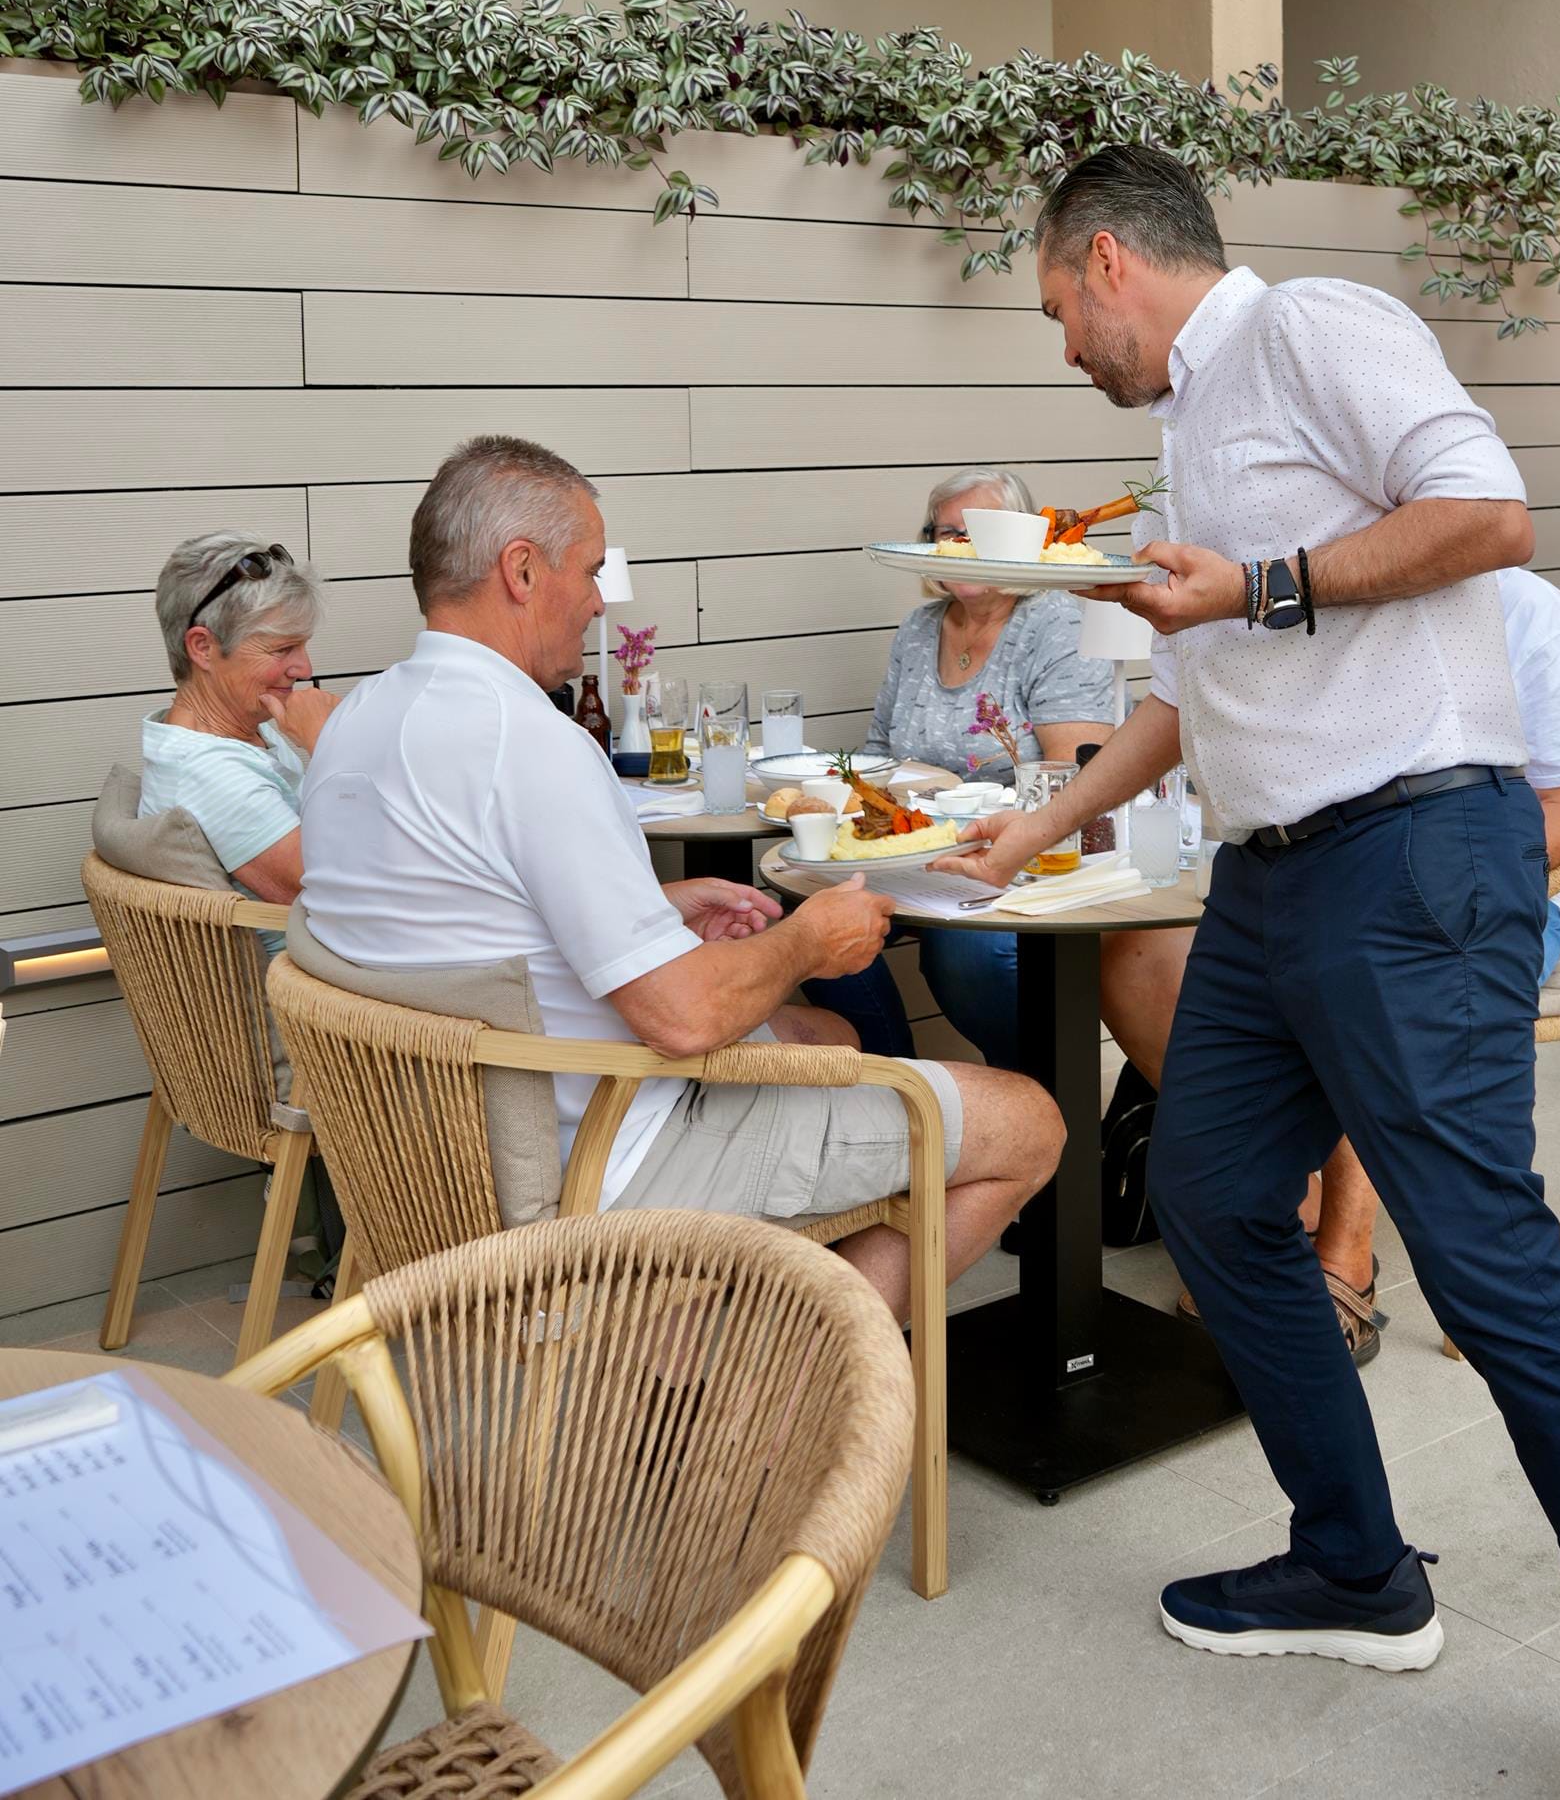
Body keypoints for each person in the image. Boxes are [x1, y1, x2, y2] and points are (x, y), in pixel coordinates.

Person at [940, 153, 1560, 1800]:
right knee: (1215, 1196)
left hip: (1412, 850)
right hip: (1271, 877)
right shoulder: (1193, 426)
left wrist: (1260, 580)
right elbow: (1193, 687)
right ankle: (1355, 1562)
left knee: (1493, 1271)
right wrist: (1039, 828)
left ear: (1110, 258)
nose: (1064, 344)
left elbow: (1492, 514)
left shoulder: (1308, 326)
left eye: (1058, 307)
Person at [298, 435, 1064, 1322]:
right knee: (1027, 1121)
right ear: (521, 569)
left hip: (434, 1160)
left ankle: (706, 1337)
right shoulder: (528, 741)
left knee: (829, 1038)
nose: (597, 600)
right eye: (590, 571)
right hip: (602, 1161)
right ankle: (787, 1388)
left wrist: (656, 904)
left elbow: (464, 913)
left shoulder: (358, 720)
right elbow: (683, 1019)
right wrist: (807, 940)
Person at [1182, 561, 1560, 1361]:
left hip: (1492, 900)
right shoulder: (1336, 601)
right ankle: (1265, 1217)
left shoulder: (1532, 611)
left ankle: (1347, 1248)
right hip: (1325, 888)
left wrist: (1454, 882)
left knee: (1371, 995)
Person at [803, 465, 1114, 1067]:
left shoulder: (1055, 623)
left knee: (966, 954)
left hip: (1023, 852)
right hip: (918, 848)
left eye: (978, 532)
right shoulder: (919, 629)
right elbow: (878, 757)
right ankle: (897, 1081)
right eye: (947, 533)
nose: (959, 546)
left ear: (1022, 540)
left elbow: (1073, 772)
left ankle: (1037, 1087)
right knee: (809, 924)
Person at [140, 532, 340, 927]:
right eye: (282, 649)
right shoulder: (210, 775)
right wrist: (332, 745)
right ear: (203, 648)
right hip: (310, 963)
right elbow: (337, 900)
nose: (305, 669)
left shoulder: (240, 732)